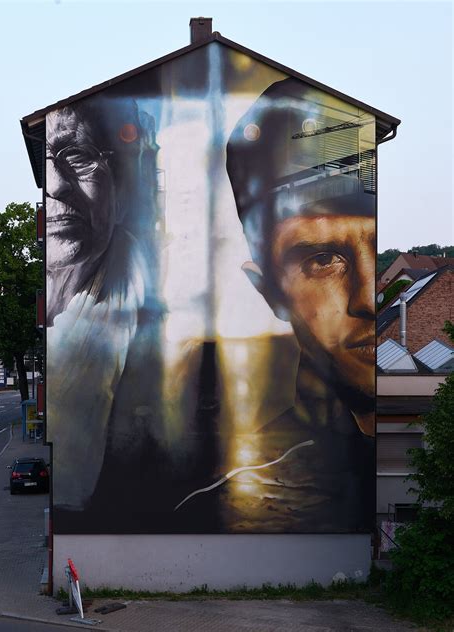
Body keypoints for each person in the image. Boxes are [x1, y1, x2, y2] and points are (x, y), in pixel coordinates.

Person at [175, 77, 376, 532]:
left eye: (375, 250)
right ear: (267, 290)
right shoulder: (237, 508)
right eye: (324, 259)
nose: (369, 298)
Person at [46, 95, 163, 518]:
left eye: (75, 156)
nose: (54, 185)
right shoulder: (57, 298)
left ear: (125, 185)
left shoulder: (151, 308)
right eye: (45, 162)